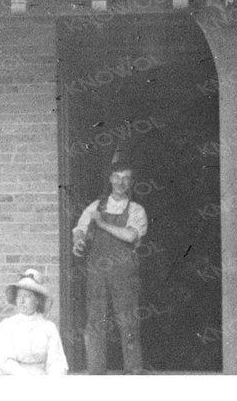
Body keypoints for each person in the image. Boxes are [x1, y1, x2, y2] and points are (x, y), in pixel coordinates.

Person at [71, 152, 147, 373]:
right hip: (97, 271)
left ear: (131, 182)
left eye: (126, 178)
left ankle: (133, 372)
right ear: (110, 179)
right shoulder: (95, 207)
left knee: (128, 320)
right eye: (117, 177)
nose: (121, 182)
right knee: (95, 320)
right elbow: (80, 229)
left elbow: (130, 236)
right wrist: (78, 242)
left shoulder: (136, 210)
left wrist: (102, 224)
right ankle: (96, 372)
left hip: (124, 272)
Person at [0, 268, 68, 375]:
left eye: (27, 296)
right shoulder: (6, 326)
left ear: (37, 300)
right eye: (19, 296)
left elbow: (56, 361)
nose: (22, 301)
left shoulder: (48, 327)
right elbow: (4, 361)